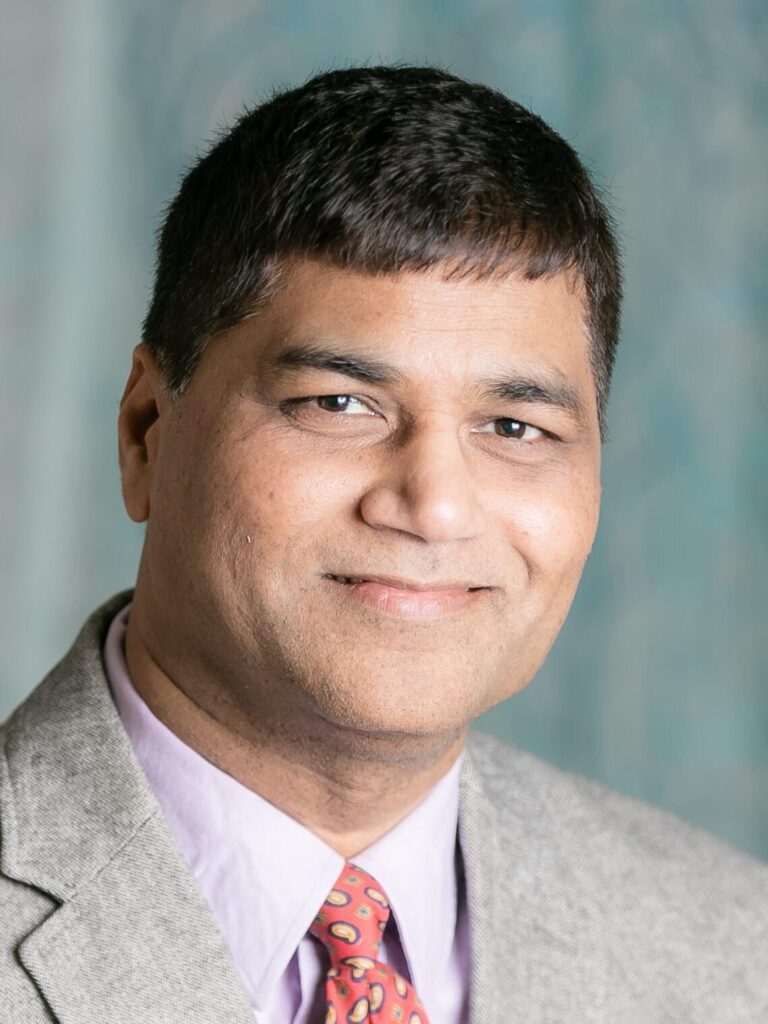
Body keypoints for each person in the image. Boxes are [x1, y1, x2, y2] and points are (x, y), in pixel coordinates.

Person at [1, 64, 765, 1024]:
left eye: (515, 427)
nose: (434, 506)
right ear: (147, 431)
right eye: (339, 404)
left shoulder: (733, 947)